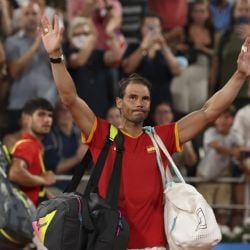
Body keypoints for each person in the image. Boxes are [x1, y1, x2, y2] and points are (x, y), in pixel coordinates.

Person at [39, 14, 250, 249]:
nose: (140, 103)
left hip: (155, 245)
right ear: (119, 102)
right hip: (112, 244)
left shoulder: (160, 138)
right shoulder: (102, 134)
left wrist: (240, 75)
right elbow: (70, 99)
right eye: (132, 97)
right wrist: (55, 56)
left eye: (145, 99)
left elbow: (208, 112)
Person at [196, 106, 243, 226]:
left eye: (226, 117)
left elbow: (242, 152)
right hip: (206, 176)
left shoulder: (235, 135)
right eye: (220, 117)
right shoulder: (209, 132)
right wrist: (234, 152)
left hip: (223, 176)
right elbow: (217, 147)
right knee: (205, 211)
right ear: (215, 120)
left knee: (223, 210)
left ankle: (223, 238)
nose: (223, 121)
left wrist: (239, 152)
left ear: (232, 120)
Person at [8, 97, 56, 207]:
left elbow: (32, 184)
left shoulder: (36, 145)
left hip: (27, 213)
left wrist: (48, 195)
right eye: (41, 114)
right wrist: (43, 180)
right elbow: (15, 173)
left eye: (50, 115)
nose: (47, 120)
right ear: (26, 118)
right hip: (24, 216)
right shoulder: (28, 145)